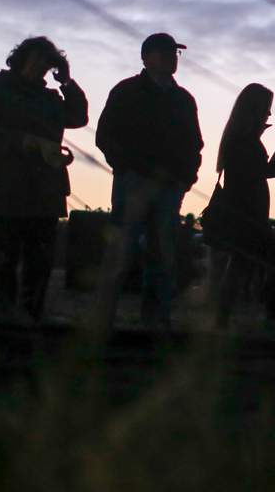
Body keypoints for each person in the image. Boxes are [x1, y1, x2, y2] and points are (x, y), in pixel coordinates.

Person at [0, 36, 88, 322]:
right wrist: (27, 142)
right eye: (36, 59)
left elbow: (79, 116)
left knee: (40, 263)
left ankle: (33, 317)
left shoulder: (51, 99)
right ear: (20, 58)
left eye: (47, 62)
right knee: (3, 261)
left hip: (45, 192)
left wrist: (68, 82)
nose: (40, 66)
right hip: (4, 191)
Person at [94, 33, 203, 332]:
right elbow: (105, 137)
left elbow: (195, 144)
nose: (171, 57)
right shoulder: (126, 92)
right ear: (146, 57)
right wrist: (130, 169)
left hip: (170, 189)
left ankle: (156, 321)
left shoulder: (183, 100)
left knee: (162, 255)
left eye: (174, 53)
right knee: (121, 250)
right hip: (134, 184)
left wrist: (185, 179)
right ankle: (103, 320)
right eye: (164, 52)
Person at [211, 83, 275, 329]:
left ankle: (225, 318)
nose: (269, 114)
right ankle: (270, 318)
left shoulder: (240, 138)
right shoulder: (244, 140)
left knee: (243, 264)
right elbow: (251, 172)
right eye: (266, 108)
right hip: (248, 211)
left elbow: (251, 171)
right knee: (270, 262)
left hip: (246, 209)